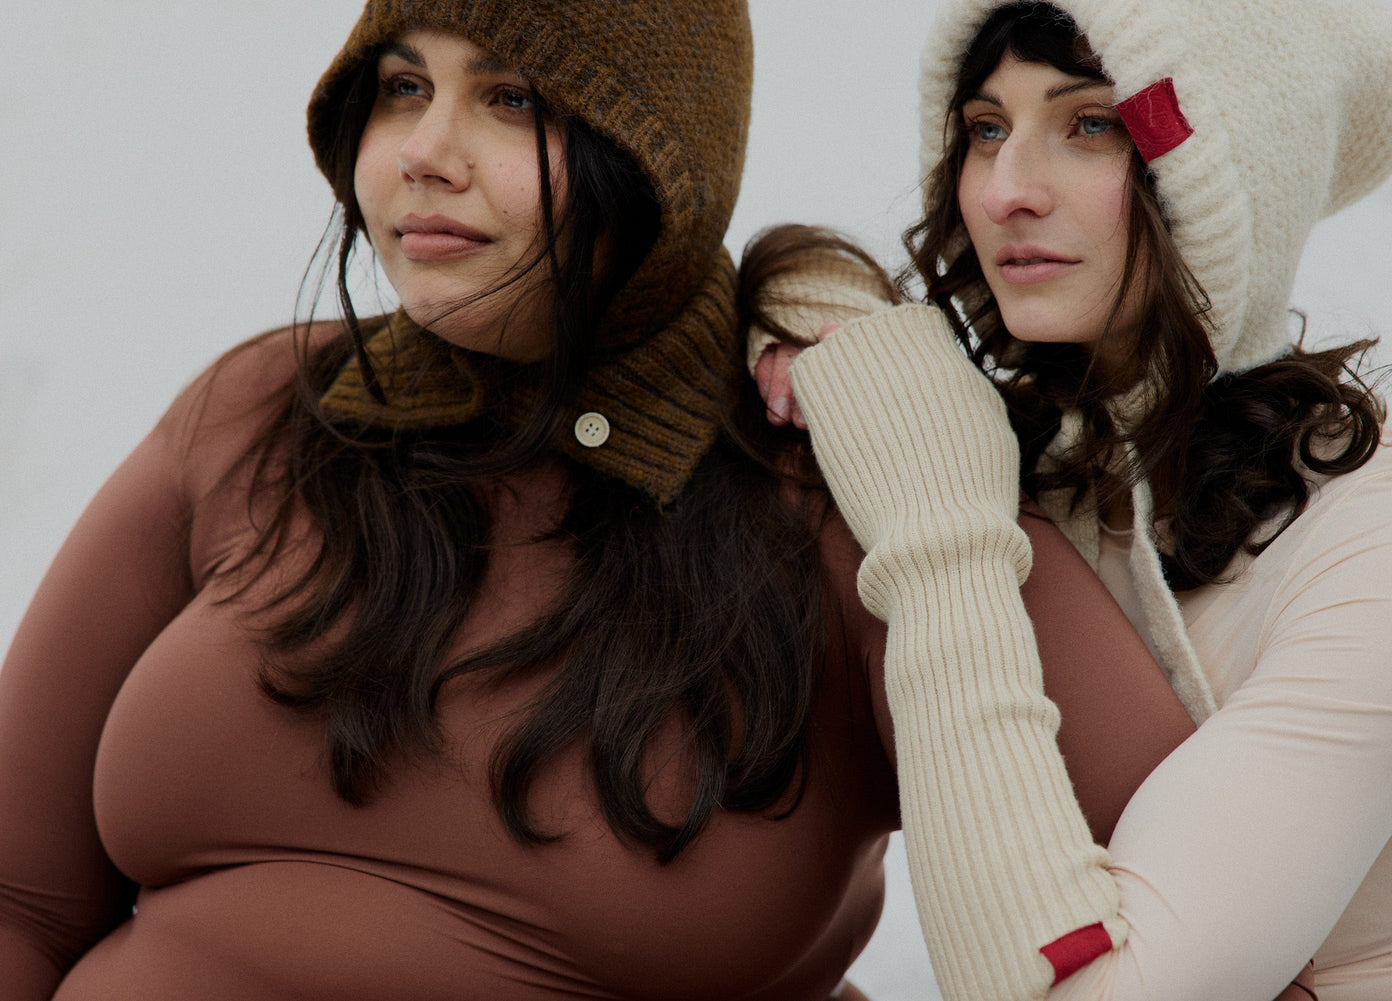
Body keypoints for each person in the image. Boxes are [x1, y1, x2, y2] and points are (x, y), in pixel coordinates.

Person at [0, 1, 1202, 998]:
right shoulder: (261, 411)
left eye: (514, 99)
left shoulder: (866, 491)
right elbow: (19, 899)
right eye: (404, 87)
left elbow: (1216, 929)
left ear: (658, 154)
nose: (424, 151)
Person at [750, 0, 1392, 998]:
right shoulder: (1052, 458)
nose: (1006, 191)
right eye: (985, 128)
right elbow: (797, 281)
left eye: (1091, 123)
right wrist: (806, 302)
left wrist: (941, 539)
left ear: (1231, 176)